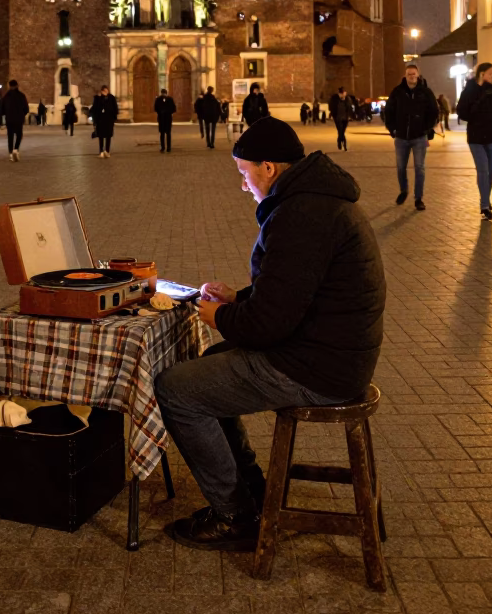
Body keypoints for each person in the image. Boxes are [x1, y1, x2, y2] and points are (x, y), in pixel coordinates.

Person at [155, 115, 386, 551]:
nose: (245, 185)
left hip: (318, 367)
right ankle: (253, 489)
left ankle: (235, 515)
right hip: (333, 353)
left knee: (175, 389)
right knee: (208, 367)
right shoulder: (313, 199)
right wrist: (238, 298)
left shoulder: (302, 214)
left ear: (269, 167)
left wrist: (218, 317)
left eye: (245, 174)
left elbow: (269, 325)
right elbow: (292, 290)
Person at [456, 63, 492, 221]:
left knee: (490, 171)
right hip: (476, 137)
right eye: (490, 73)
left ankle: (486, 199)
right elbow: (462, 111)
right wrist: (475, 110)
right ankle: (484, 205)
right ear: (481, 74)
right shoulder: (470, 90)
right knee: (483, 170)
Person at [385, 64, 439, 210]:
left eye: (414, 74)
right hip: (401, 137)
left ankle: (418, 198)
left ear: (418, 75)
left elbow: (434, 111)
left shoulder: (425, 92)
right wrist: (392, 128)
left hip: (419, 137)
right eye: (409, 74)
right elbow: (388, 111)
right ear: (405, 75)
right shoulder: (397, 92)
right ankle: (403, 190)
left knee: (419, 168)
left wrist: (427, 128)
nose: (411, 76)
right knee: (401, 167)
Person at [2, 80, 29, 161]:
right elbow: (26, 109)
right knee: (19, 135)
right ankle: (16, 149)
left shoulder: (6, 96)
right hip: (18, 119)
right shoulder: (21, 95)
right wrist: (22, 115)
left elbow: (2, 109)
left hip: (9, 119)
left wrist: (6, 114)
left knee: (10, 136)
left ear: (9, 86)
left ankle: (10, 153)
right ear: (17, 85)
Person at [91, 85, 118, 157]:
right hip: (100, 120)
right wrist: (95, 120)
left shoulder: (111, 98)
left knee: (108, 136)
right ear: (102, 91)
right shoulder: (98, 98)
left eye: (107, 91)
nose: (106, 92)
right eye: (104, 91)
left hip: (109, 120)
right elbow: (94, 109)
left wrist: (114, 118)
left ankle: (107, 151)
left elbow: (115, 108)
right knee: (101, 136)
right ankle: (101, 151)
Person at [154, 88, 177, 153]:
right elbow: (155, 108)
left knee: (167, 133)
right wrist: (161, 112)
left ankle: (167, 147)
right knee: (163, 133)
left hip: (167, 118)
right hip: (163, 118)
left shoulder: (169, 99)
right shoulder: (158, 100)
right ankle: (164, 147)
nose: (163, 94)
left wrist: (167, 112)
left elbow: (174, 109)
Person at [328, 87, 350, 152]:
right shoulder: (334, 99)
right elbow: (331, 106)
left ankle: (339, 141)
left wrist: (350, 115)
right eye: (342, 93)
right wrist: (332, 113)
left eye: (344, 93)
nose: (343, 94)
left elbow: (349, 108)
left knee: (342, 131)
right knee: (340, 131)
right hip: (337, 117)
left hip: (345, 118)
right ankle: (344, 144)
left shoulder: (347, 99)